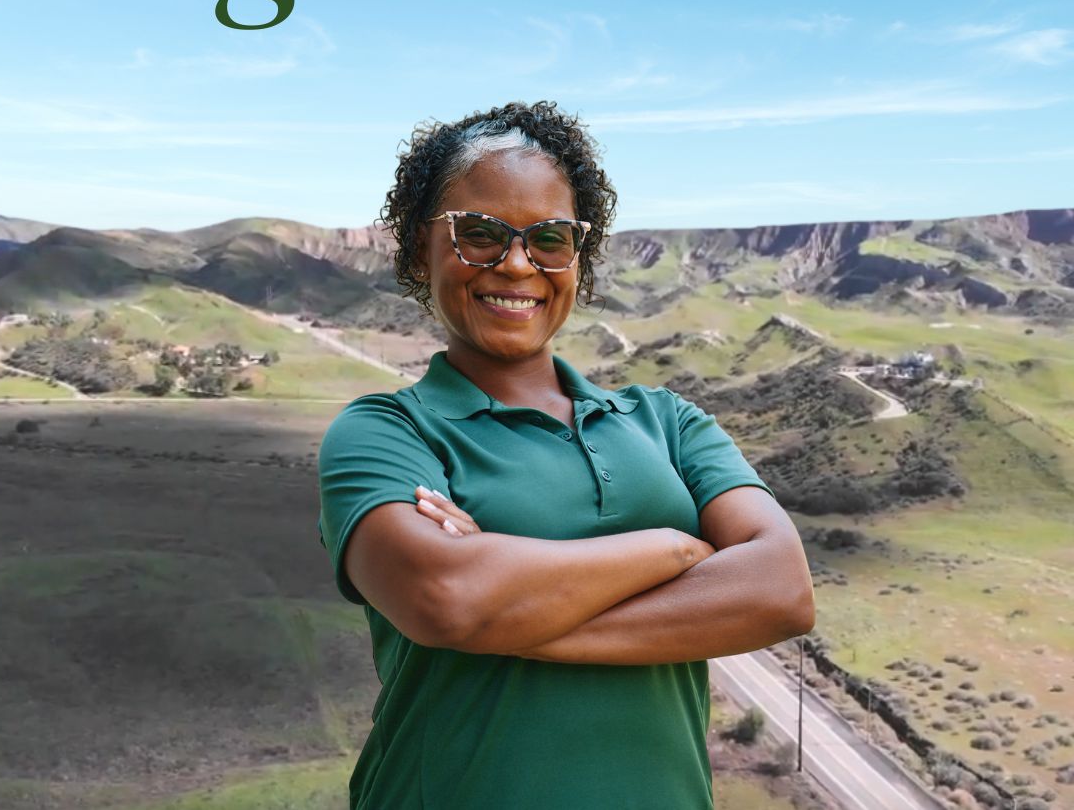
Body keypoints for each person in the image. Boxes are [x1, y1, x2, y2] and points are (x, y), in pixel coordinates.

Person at [317, 101, 815, 809]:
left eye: (550, 238)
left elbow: (781, 591)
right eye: (479, 233)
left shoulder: (668, 422)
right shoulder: (387, 433)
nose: (517, 263)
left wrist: (512, 612)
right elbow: (448, 598)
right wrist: (676, 548)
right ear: (415, 249)